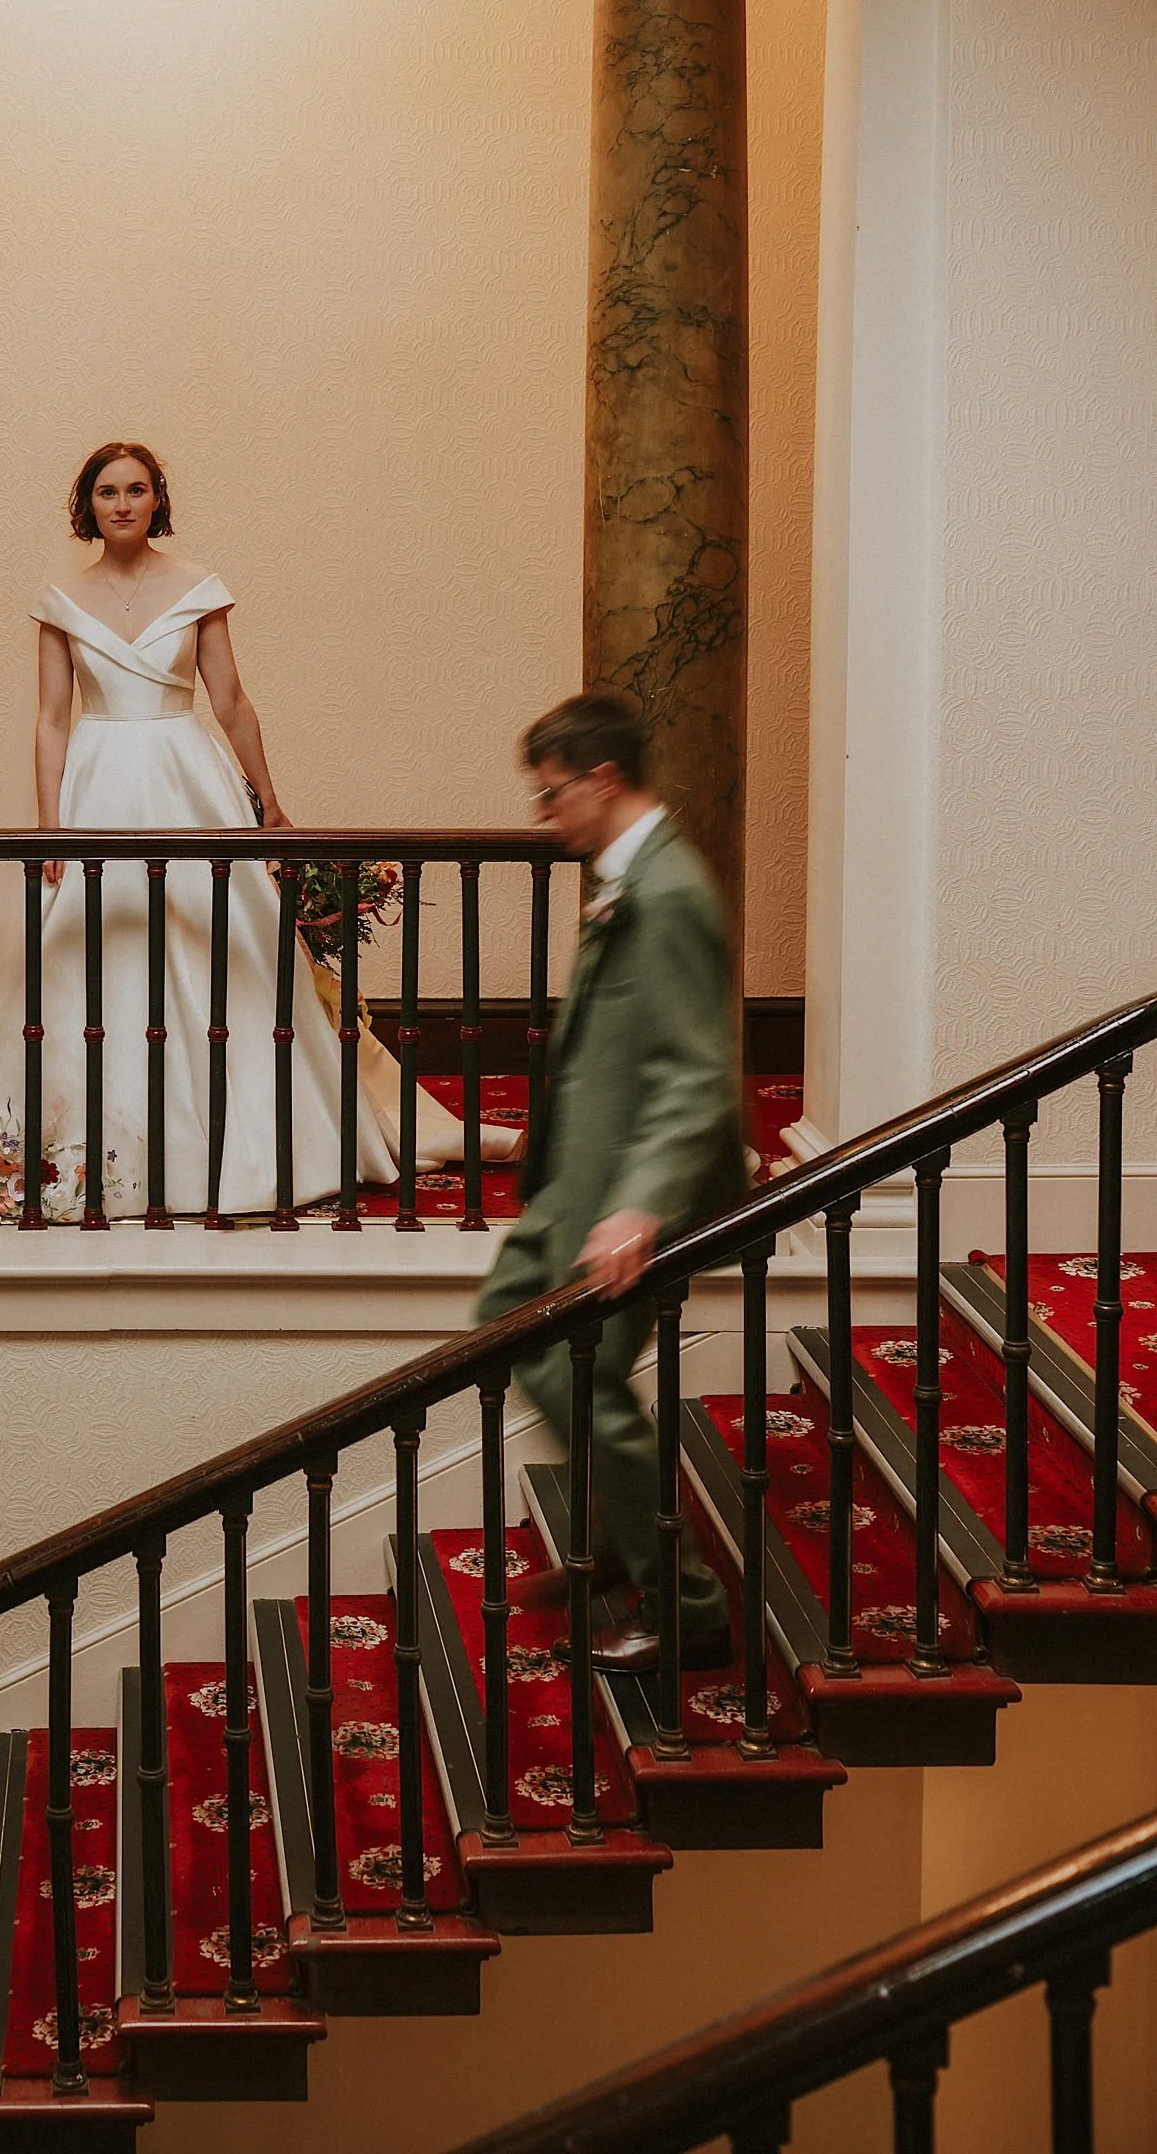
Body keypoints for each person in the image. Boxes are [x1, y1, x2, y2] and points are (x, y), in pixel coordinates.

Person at [0, 441, 513, 1218]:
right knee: (77, 956)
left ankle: (251, 1146)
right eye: (105, 492)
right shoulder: (59, 602)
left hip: (188, 778)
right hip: (95, 785)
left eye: (135, 490)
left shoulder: (199, 589)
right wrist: (51, 825)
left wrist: (268, 800)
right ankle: (75, 1148)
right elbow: (53, 720)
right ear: (85, 506)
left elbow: (230, 703)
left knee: (226, 943)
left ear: (157, 499)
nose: (121, 504)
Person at [473, 690, 745, 1673]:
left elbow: (695, 1071)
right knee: (507, 1316)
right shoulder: (624, 873)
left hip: (637, 1195)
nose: (543, 817)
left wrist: (637, 1205)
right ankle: (619, 1545)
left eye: (549, 797)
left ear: (599, 779)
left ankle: (687, 1605)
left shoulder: (667, 892)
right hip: (578, 1177)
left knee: (572, 1372)